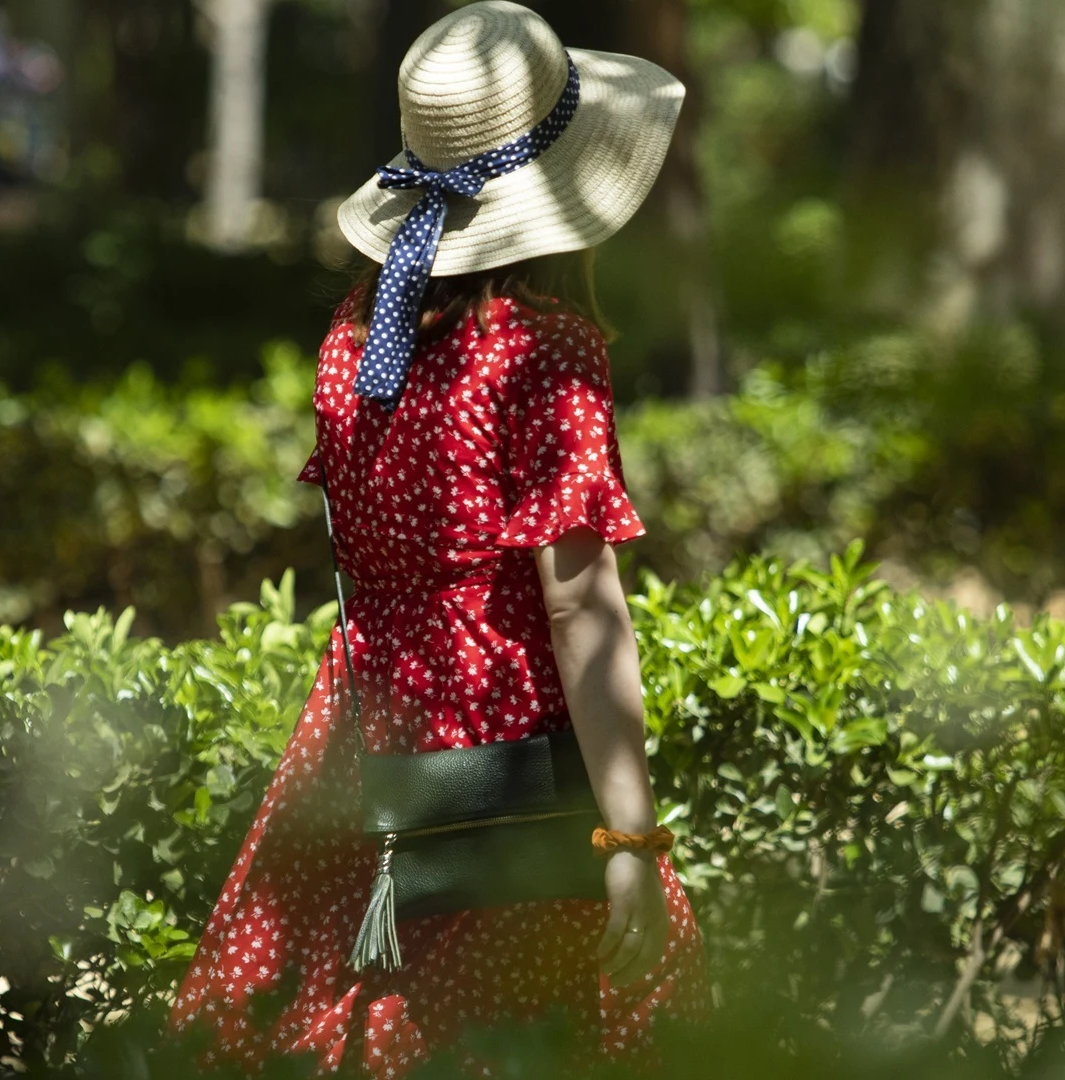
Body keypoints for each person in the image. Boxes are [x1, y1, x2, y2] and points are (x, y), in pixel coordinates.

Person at [169, 2, 707, 1073]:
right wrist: (632, 841)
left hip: (372, 725)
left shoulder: (353, 339)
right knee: (560, 1025)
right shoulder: (543, 351)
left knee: (344, 1019)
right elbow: (578, 605)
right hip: (503, 739)